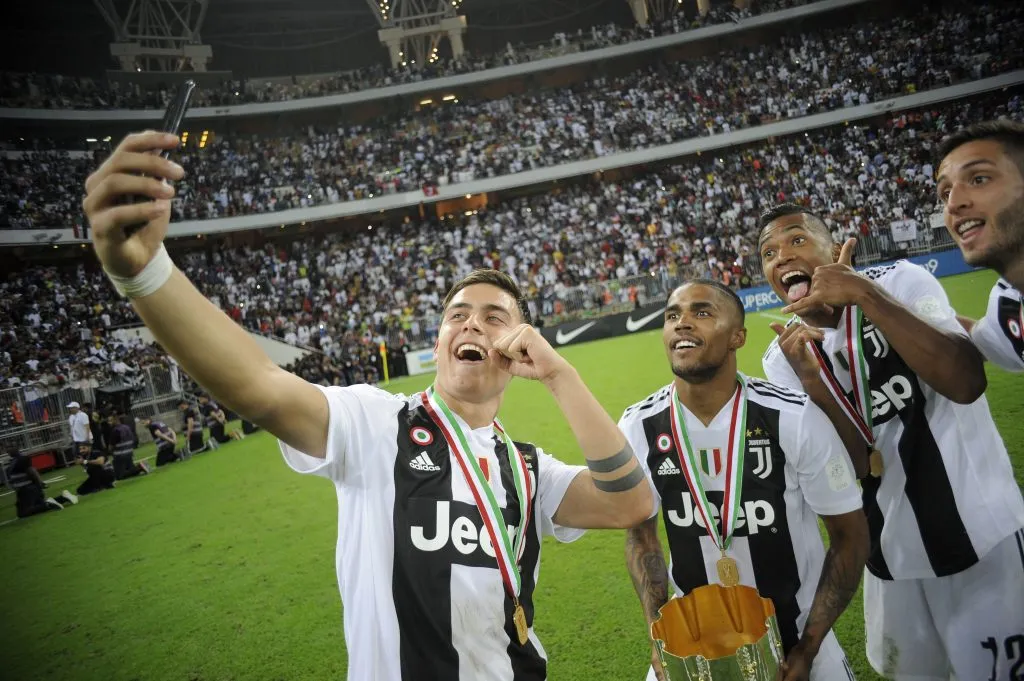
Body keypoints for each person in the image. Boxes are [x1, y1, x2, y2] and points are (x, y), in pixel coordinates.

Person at [81, 130, 655, 681]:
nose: (471, 322)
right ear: (438, 344)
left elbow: (630, 504)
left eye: (493, 316)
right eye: (457, 314)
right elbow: (257, 385)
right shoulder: (375, 423)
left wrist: (560, 375)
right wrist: (146, 273)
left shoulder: (529, 472)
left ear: (516, 346)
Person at [758, 203, 1024, 681]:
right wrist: (814, 383)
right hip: (889, 558)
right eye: (769, 253)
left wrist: (865, 295)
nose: (782, 257)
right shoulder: (784, 359)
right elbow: (857, 463)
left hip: (981, 538)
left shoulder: (899, 281)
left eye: (797, 240)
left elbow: (964, 382)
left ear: (831, 245)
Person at [621, 280, 867, 681]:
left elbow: (850, 534)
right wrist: (659, 634)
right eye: (672, 315)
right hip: (690, 645)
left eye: (701, 312)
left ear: (738, 336)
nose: (682, 323)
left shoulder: (794, 417)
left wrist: (808, 647)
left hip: (797, 640)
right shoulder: (638, 425)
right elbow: (641, 536)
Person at [936, 119, 1024, 372]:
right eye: (945, 192)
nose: (953, 204)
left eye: (979, 179)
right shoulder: (1009, 304)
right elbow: (979, 338)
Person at [5, 447, 78, 517]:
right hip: (28, 488)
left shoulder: (21, 459)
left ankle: (48, 504)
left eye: (10, 447)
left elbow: (32, 471)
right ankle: (63, 498)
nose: (8, 450)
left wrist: (40, 483)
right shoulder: (15, 461)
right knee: (39, 505)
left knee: (23, 513)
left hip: (27, 488)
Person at [109, 414, 149, 480]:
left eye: (110, 421)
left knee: (119, 476)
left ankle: (139, 467)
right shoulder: (127, 427)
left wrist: (111, 452)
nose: (109, 423)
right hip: (129, 453)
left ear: (115, 420)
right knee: (130, 471)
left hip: (120, 456)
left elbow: (110, 447)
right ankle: (138, 468)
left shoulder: (115, 430)